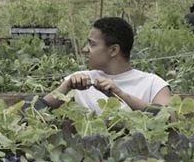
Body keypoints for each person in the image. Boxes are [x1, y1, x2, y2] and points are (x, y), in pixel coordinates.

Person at [38, 17, 172, 113]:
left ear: (113, 50)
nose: (85, 49)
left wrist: (120, 95)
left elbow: (168, 117)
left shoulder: (153, 84)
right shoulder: (77, 82)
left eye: (92, 44)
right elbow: (32, 114)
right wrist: (65, 87)